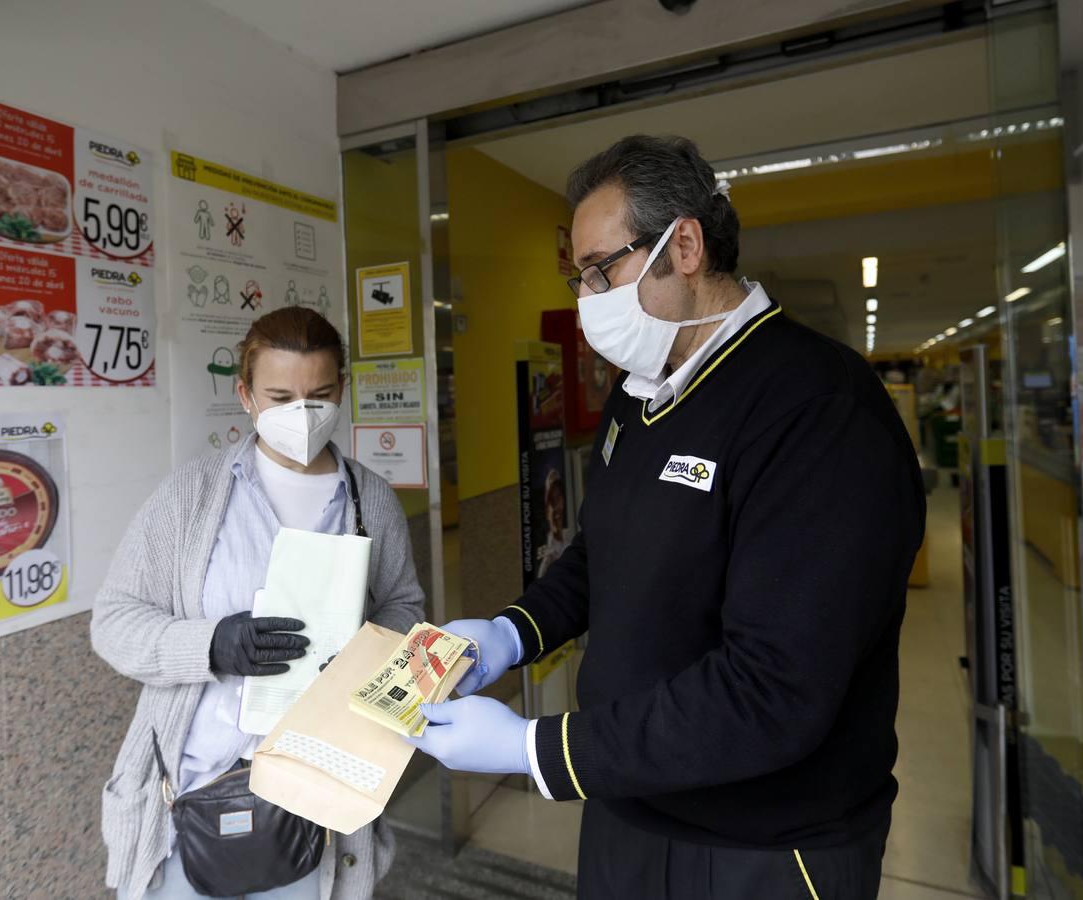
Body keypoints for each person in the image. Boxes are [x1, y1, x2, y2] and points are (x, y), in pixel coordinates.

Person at [408, 135, 925, 899]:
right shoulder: (640, 393)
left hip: (767, 845)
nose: (586, 297)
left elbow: (774, 689)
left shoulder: (815, 407)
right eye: (578, 276)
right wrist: (512, 632)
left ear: (684, 245)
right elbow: (600, 553)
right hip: (627, 804)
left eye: (599, 270)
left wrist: (535, 748)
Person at [92, 307, 425, 900]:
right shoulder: (189, 498)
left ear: (342, 389)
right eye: (280, 396)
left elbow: (406, 609)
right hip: (190, 799)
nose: (302, 413)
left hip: (315, 805)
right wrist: (211, 645)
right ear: (245, 396)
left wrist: (365, 656)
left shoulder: (369, 500)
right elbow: (114, 622)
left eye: (320, 394)